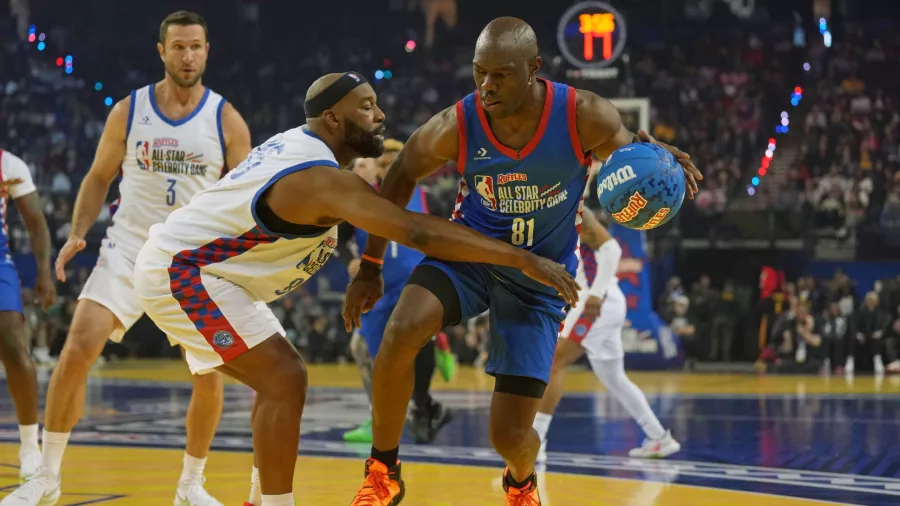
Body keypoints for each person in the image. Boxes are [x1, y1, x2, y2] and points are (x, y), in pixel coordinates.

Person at [130, 71, 578, 506]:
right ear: (332, 119)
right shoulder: (320, 178)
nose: (380, 115)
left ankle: (259, 500)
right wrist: (522, 258)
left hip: (216, 275)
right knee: (284, 379)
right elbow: (416, 232)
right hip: (183, 272)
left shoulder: (302, 149)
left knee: (281, 381)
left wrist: (369, 268)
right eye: (366, 107)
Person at [344, 17, 701, 505]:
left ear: (534, 68)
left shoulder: (584, 115)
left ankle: (521, 478)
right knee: (402, 328)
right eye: (479, 73)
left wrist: (661, 165)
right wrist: (370, 264)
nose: (486, 87)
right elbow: (402, 171)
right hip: (470, 256)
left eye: (501, 75)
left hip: (541, 277)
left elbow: (634, 158)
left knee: (508, 437)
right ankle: (383, 471)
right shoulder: (459, 123)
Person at [2, 11, 252, 506]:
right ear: (161, 51)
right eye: (178, 47)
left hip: (193, 260)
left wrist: (242, 262)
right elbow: (98, 177)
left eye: (196, 46)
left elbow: (246, 196)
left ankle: (190, 486)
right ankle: (47, 477)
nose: (187, 55)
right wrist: (77, 233)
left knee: (208, 376)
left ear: (207, 50)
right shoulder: (129, 110)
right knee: (76, 349)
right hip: (130, 246)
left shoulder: (226, 118)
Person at [532, 207, 681, 464]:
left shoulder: (573, 208)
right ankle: (659, 437)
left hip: (597, 302)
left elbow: (612, 249)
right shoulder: (546, 216)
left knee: (553, 363)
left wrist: (595, 295)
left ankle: (535, 444)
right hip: (599, 302)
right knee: (614, 378)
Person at [341, 147, 456, 446]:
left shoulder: (420, 193)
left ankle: (414, 408)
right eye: (363, 164)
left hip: (416, 278)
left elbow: (447, 225)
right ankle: (400, 410)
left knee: (414, 343)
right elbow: (337, 239)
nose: (365, 169)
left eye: (369, 163)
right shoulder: (356, 202)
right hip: (378, 286)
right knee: (368, 349)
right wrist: (347, 260)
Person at [0, 149, 55, 481]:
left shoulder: (9, 163)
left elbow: (36, 222)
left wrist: (44, 273)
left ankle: (28, 445)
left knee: (13, 343)